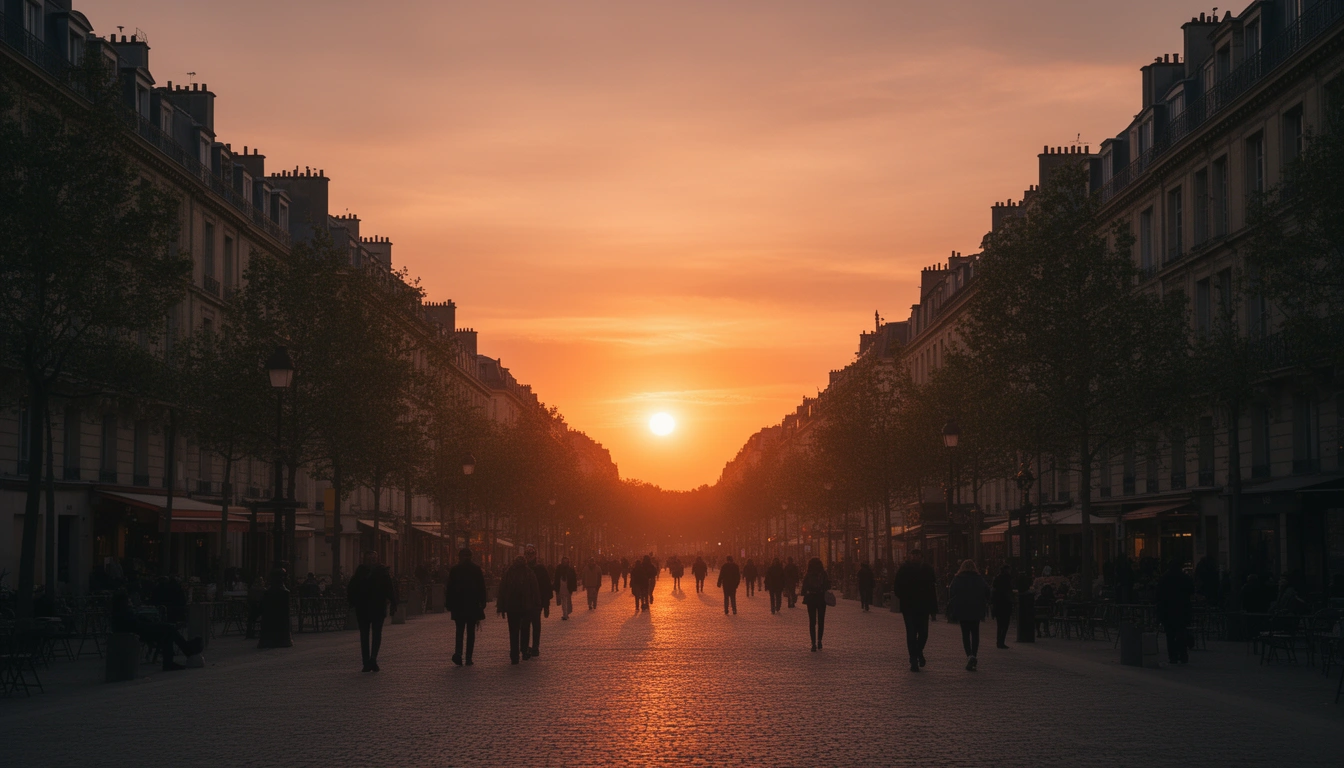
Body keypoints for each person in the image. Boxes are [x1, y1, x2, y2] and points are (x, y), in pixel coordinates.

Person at [111, 591, 202, 671]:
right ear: (124, 602)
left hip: (141, 631)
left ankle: (172, 660)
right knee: (168, 629)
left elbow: (137, 622)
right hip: (140, 633)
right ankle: (185, 650)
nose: (131, 602)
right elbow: (137, 625)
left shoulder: (122, 612)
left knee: (168, 632)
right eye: (129, 600)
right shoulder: (125, 613)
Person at [347, 551, 398, 672]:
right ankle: (368, 661)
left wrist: (393, 603)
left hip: (371, 608)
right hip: (369, 607)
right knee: (368, 635)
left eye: (373, 558)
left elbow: (389, 588)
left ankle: (371, 659)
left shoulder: (374, 571)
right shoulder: (365, 572)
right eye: (370, 558)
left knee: (372, 634)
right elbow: (352, 588)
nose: (372, 560)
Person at [894, 549, 938, 672]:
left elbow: (932, 588)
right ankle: (913, 659)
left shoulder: (927, 569)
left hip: (923, 606)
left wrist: (933, 607)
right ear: (910, 556)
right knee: (911, 633)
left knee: (924, 633)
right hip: (908, 606)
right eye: (913, 555)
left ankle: (918, 652)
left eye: (917, 555)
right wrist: (903, 598)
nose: (915, 557)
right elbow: (896, 586)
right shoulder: (904, 569)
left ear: (921, 556)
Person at [947, 559, 991, 671]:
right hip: (976, 609)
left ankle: (969, 655)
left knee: (965, 633)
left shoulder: (958, 578)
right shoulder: (978, 578)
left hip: (962, 609)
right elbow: (987, 591)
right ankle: (974, 655)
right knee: (975, 633)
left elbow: (951, 592)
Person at [446, 548, 487, 666]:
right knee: (470, 633)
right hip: (472, 606)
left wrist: (449, 604)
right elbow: (482, 588)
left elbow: (449, 588)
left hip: (458, 606)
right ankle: (469, 658)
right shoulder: (476, 569)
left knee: (459, 631)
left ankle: (458, 654)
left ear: (460, 557)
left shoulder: (455, 570)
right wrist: (482, 603)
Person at [497, 556, 541, 664]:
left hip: (512, 606)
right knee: (525, 630)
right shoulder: (529, 573)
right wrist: (537, 604)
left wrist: (501, 606)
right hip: (526, 606)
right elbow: (535, 589)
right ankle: (524, 651)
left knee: (513, 631)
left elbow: (502, 589)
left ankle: (514, 655)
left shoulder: (508, 573)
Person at [1154, 559, 1193, 665]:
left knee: (1170, 635)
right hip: (1182, 609)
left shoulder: (1164, 578)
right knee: (1181, 633)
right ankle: (1183, 655)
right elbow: (1191, 590)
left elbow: (1158, 594)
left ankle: (1173, 656)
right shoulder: (1184, 578)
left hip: (1168, 610)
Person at [525, 546, 553, 657]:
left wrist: (546, 605)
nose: (529, 557)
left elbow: (546, 587)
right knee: (525, 626)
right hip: (525, 602)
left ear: (535, 555)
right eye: (528, 554)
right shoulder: (522, 568)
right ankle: (525, 647)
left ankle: (535, 647)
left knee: (536, 625)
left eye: (531, 554)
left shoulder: (541, 569)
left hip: (537, 602)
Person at [800, 557, 832, 652]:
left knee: (812, 621)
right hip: (821, 599)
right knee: (821, 621)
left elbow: (804, 589)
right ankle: (819, 641)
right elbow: (828, 585)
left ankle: (813, 643)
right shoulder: (823, 574)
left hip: (811, 599)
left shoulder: (808, 575)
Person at [991, 565, 1015, 649]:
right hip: (1005, 604)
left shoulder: (997, 578)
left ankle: (999, 641)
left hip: (998, 604)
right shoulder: (1008, 579)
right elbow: (1010, 590)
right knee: (1005, 624)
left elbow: (993, 590)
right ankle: (1001, 641)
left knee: (999, 624)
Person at [553, 556, 578, 620]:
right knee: (564, 600)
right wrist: (555, 587)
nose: (565, 563)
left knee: (568, 600)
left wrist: (574, 587)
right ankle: (565, 614)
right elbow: (556, 578)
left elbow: (573, 579)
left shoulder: (570, 569)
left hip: (568, 587)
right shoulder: (558, 569)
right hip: (561, 586)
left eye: (566, 562)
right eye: (564, 561)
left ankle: (567, 612)